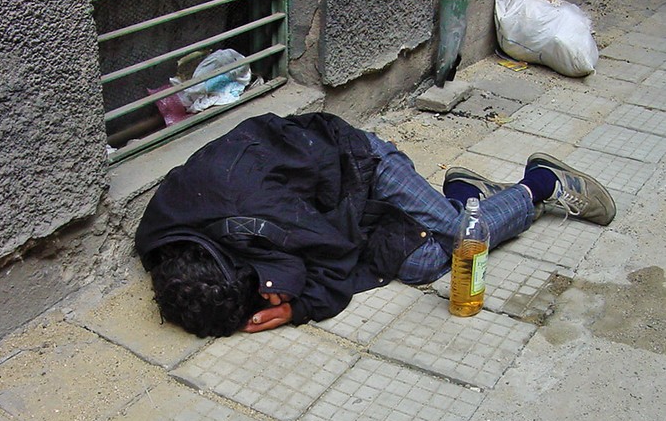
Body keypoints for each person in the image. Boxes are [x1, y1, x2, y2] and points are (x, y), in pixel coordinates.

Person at [135, 112, 615, 337]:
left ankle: (541, 183)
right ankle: (466, 193)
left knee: (457, 240)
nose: (266, 298)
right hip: (323, 200)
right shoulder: (162, 238)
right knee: (418, 264)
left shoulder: (260, 216)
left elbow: (335, 256)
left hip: (359, 161)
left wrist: (296, 305)